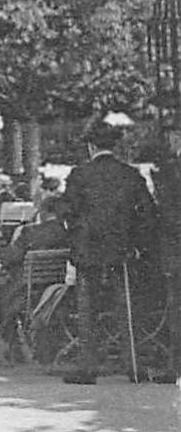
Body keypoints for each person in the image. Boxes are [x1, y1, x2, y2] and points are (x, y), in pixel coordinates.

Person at [60, 119, 157, 385]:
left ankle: (88, 368)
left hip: (88, 250)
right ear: (115, 145)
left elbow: (66, 213)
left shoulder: (79, 175)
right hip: (121, 249)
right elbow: (147, 214)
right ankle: (134, 367)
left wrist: (76, 239)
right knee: (125, 307)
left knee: (87, 310)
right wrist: (138, 245)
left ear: (91, 146)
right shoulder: (130, 174)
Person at [0, 194, 69, 363]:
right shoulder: (68, 234)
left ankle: (13, 344)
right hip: (57, 288)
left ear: (42, 211)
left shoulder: (31, 232)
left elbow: (10, 258)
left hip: (28, 289)